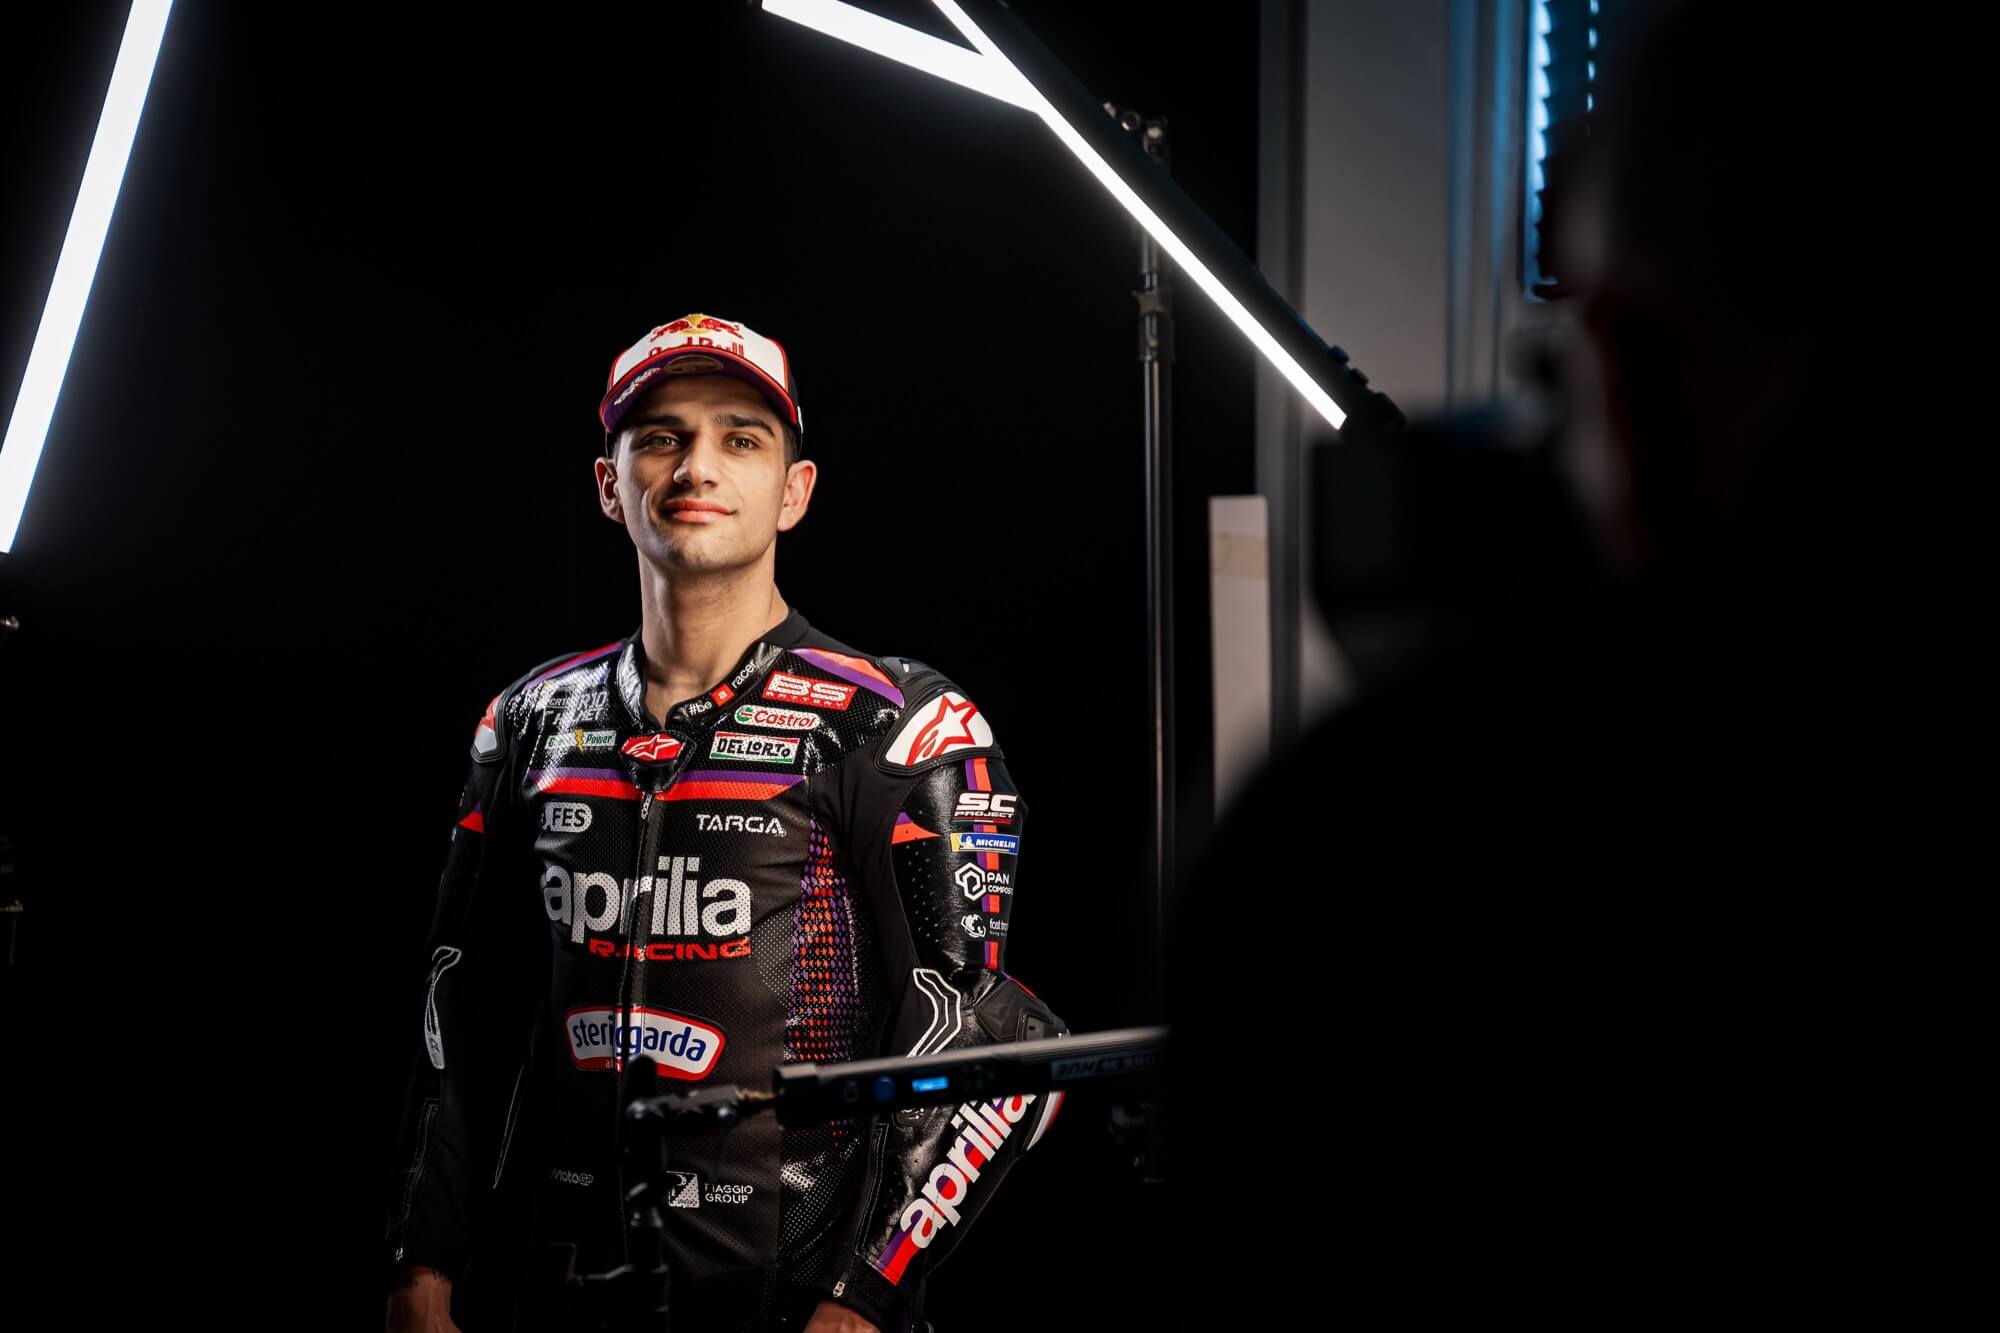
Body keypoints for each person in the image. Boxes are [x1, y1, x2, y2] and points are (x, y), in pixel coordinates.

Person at [384, 313, 1068, 1332]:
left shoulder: (897, 723)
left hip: (791, 1305)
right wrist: (420, 1267)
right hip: (557, 1294)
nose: (696, 465)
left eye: (740, 438)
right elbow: (462, 1014)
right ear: (609, 484)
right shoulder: (527, 720)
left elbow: (990, 1044)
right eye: (661, 436)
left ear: (794, 490)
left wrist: (860, 1299)